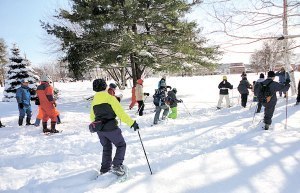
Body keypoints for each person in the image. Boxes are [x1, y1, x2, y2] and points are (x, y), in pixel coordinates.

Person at [90, 78, 139, 176]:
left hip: (100, 130)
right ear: (105, 86)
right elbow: (121, 114)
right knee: (121, 145)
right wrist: (132, 123)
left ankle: (104, 169)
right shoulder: (110, 98)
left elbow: (92, 117)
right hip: (111, 128)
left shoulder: (94, 101)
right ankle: (117, 166)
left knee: (106, 147)